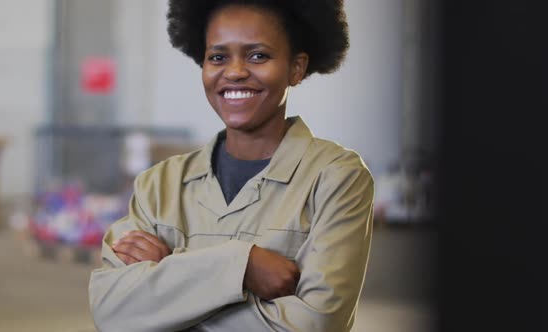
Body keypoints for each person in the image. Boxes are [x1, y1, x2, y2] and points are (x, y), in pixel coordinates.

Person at [89, 0, 374, 331]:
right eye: (218, 57)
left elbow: (315, 323)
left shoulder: (336, 178)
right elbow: (112, 311)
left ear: (296, 68)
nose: (235, 71)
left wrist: (172, 277)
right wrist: (242, 266)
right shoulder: (159, 184)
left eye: (258, 55)